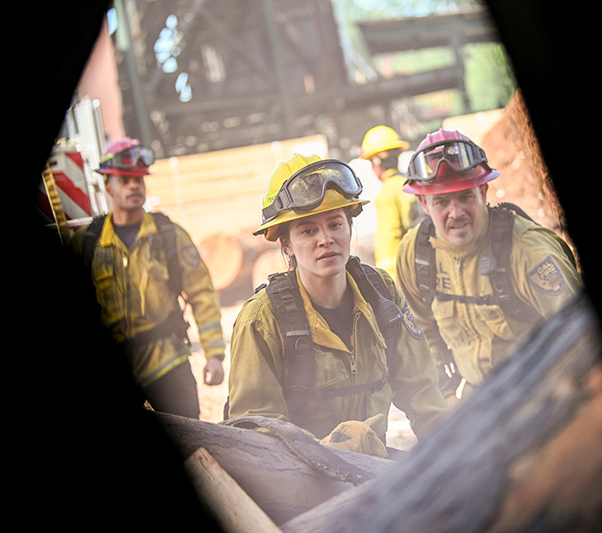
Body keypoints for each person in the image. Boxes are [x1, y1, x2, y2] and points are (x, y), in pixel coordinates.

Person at [226, 153, 449, 457]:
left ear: (349, 227)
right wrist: (327, 451)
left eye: (335, 223)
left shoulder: (381, 294)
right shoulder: (261, 321)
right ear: (286, 244)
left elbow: (423, 393)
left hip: (374, 469)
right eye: (308, 230)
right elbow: (256, 429)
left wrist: (457, 451)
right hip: (300, 482)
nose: (326, 239)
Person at [395, 128, 583, 402]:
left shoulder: (528, 251)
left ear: (483, 192)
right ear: (423, 202)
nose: (455, 213)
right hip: (480, 401)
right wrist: (445, 395)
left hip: (546, 396)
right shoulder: (414, 254)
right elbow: (422, 335)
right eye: (442, 201)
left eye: (465, 197)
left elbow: (582, 337)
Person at [69, 137, 226, 419]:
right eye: (125, 180)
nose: (134, 186)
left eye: (139, 180)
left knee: (192, 442)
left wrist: (214, 353)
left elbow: (201, 293)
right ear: (108, 186)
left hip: (167, 361)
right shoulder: (88, 243)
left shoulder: (169, 235)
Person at [359, 125, 422, 280]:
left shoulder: (387, 193)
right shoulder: (409, 184)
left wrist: (388, 284)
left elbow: (389, 243)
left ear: (377, 162)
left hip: (402, 276)